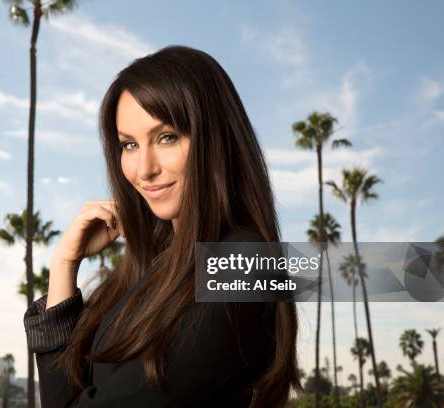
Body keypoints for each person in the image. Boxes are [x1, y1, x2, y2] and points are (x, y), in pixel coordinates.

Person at [24, 45, 300, 408]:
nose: (143, 170)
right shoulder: (155, 268)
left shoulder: (244, 263)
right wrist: (64, 265)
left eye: (166, 137)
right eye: (129, 144)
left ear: (214, 138)